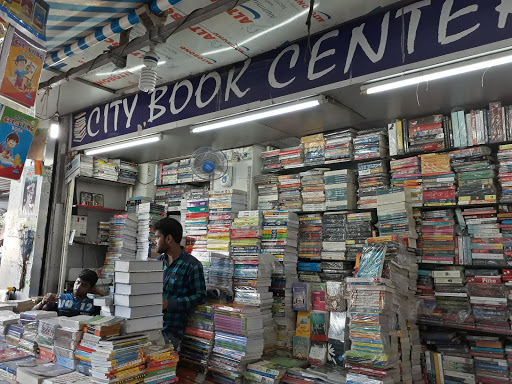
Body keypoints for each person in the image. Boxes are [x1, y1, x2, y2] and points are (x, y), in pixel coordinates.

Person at [154, 217, 207, 349]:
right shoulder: (157, 263)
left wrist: (170, 303)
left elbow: (201, 296)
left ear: (168, 238)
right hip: (150, 326)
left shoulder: (192, 265)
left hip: (171, 330)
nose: (154, 241)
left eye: (157, 237)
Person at [32, 269, 107, 316]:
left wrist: (99, 292)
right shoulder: (60, 298)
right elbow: (32, 313)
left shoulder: (93, 304)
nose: (78, 287)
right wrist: (43, 302)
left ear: (91, 288)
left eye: (84, 285)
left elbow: (112, 308)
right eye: (77, 282)